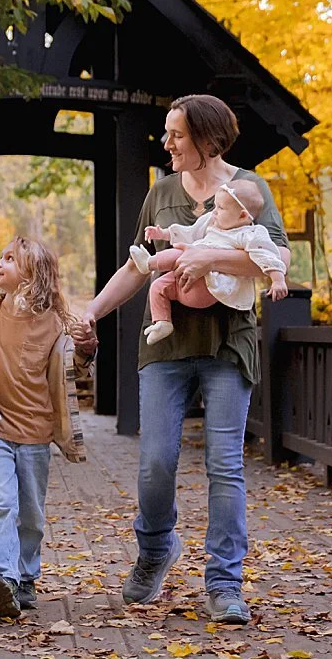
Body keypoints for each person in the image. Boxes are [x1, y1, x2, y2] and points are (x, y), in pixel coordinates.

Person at [74, 95, 291, 627]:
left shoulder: (249, 189)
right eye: (167, 133)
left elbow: (278, 257)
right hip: (166, 347)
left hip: (228, 345)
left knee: (225, 464)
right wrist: (93, 311)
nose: (166, 142)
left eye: (176, 134)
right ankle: (155, 549)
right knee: (156, 462)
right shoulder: (162, 192)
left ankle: (224, 584)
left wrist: (209, 254)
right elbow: (139, 265)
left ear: (207, 140)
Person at [0, 234, 87, 621]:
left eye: (10, 259)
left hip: (36, 432)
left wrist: (88, 348)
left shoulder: (55, 323)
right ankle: (2, 577)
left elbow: (75, 368)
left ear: (34, 274)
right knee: (1, 505)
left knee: (30, 513)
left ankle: (26, 577)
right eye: (1, 257)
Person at [128, 180, 290, 344]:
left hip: (209, 285)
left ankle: (149, 263)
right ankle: (162, 322)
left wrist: (278, 280)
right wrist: (163, 234)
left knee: (180, 254)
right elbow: (190, 232)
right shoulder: (212, 221)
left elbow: (267, 255)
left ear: (242, 215)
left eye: (221, 208)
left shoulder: (249, 233)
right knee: (158, 286)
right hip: (186, 285)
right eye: (215, 206)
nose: (215, 211)